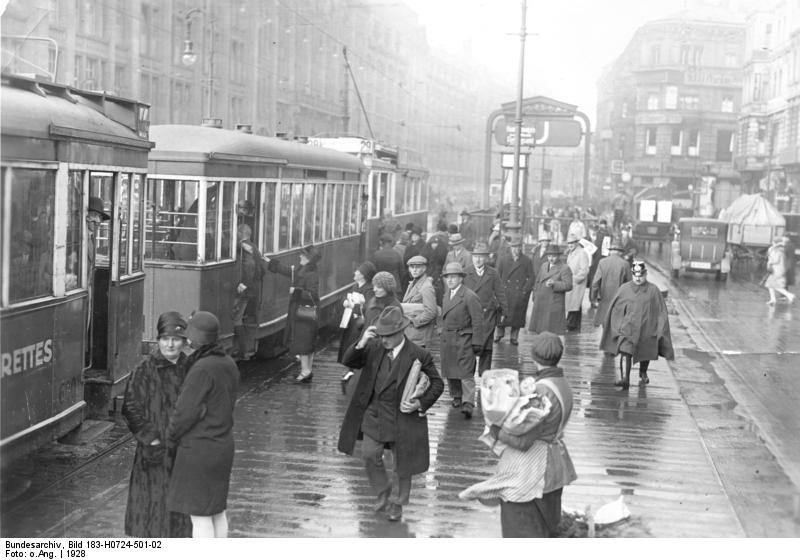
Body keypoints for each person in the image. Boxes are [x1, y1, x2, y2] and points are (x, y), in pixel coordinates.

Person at [337, 307, 444, 523]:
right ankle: (382, 490)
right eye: (381, 335)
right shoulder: (374, 348)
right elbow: (348, 360)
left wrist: (420, 405)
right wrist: (361, 342)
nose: (383, 340)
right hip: (374, 413)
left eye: (388, 336)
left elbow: (437, 384)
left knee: (402, 465)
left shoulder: (418, 354)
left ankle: (397, 503)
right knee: (369, 454)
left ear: (400, 333)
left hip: (402, 418)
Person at [467, 333, 577, 537]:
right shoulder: (563, 384)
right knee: (547, 525)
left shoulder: (541, 392)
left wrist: (496, 430)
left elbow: (524, 441)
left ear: (534, 356)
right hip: (556, 464)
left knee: (521, 527)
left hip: (532, 470)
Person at [166, 311, 239, 538]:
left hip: (200, 450)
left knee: (199, 517)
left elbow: (185, 412)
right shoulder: (227, 363)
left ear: (196, 340)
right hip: (222, 445)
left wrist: (170, 436)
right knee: (217, 512)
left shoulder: (201, 369)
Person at [122, 311, 192, 538]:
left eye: (175, 339)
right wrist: (151, 438)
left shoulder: (191, 369)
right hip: (152, 454)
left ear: (183, 341)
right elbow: (130, 407)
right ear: (158, 340)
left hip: (183, 455)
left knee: (179, 519)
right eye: (165, 339)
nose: (170, 344)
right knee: (150, 516)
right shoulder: (145, 369)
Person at [600, 262, 675, 389]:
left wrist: (660, 329)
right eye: (635, 275)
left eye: (641, 275)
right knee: (625, 352)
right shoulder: (624, 289)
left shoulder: (653, 290)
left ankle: (643, 372)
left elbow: (661, 311)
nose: (638, 278)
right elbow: (616, 308)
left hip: (647, 329)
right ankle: (625, 379)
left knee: (645, 352)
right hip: (628, 329)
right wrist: (617, 326)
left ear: (645, 274)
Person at [265, 245, 321, 382]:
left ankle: (305, 371)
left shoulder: (311, 274)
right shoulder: (304, 270)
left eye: (303, 255)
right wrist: (272, 264)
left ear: (309, 259)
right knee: (306, 341)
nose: (300, 257)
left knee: (303, 341)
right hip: (304, 309)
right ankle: (307, 370)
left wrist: (296, 291)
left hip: (305, 310)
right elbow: (289, 272)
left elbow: (313, 294)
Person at [440, 262, 485, 419]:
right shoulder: (447, 295)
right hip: (448, 338)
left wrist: (477, 342)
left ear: (461, 278)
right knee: (450, 369)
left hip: (464, 338)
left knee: (465, 371)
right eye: (447, 277)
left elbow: (478, 321)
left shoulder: (469, 296)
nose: (450, 280)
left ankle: (468, 403)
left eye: (453, 277)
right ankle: (456, 396)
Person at [464, 242, 507, 374]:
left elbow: (500, 292)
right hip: (469, 315)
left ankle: (484, 376)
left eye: (481, 256)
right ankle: (468, 375)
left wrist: (504, 311)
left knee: (486, 347)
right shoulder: (465, 273)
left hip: (487, 315)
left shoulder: (493, 273)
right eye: (475, 256)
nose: (478, 259)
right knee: (470, 344)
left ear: (486, 258)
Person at [338, 261, 377, 391]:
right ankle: (349, 369)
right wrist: (345, 301)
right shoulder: (356, 286)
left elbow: (368, 307)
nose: (355, 273)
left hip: (360, 323)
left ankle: (353, 370)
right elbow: (347, 297)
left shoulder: (369, 289)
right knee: (349, 344)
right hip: (352, 321)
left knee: (356, 344)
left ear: (364, 275)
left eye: (358, 272)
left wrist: (354, 305)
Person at [231, 223, 265, 361]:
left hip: (245, 291)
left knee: (236, 319)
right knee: (239, 318)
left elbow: (250, 266)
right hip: (252, 290)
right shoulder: (253, 246)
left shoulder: (247, 248)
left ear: (240, 234)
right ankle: (243, 350)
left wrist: (244, 284)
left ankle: (242, 352)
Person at [495, 235, 534, 345]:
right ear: (510, 248)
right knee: (501, 314)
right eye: (514, 247)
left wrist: (524, 291)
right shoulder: (503, 259)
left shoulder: (526, 261)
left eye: (518, 247)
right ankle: (499, 334)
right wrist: (498, 290)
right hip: (505, 292)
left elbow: (531, 277)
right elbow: (497, 275)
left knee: (517, 317)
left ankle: (514, 337)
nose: (516, 250)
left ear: (521, 248)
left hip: (518, 293)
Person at [528, 245, 572, 336]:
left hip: (554, 303)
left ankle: (552, 348)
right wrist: (535, 296)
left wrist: (555, 284)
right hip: (540, 301)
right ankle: (541, 347)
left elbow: (569, 285)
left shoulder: (564, 268)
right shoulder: (544, 265)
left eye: (554, 256)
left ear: (559, 256)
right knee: (539, 329)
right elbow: (537, 281)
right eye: (549, 256)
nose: (551, 259)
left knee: (552, 330)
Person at [590, 241, 632, 326]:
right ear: (620, 252)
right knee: (617, 327)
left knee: (605, 327)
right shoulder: (625, 264)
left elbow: (595, 283)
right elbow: (630, 285)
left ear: (611, 251)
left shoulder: (602, 262)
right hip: (620, 301)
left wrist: (593, 298)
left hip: (604, 299)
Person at [401, 255, 437, 347]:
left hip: (419, 335)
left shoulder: (426, 287)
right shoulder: (412, 284)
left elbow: (431, 312)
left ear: (424, 268)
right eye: (412, 267)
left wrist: (413, 321)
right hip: (411, 334)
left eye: (418, 267)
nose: (414, 270)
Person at [564, 233, 590, 332]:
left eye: (572, 243)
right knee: (574, 305)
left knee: (574, 304)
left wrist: (574, 279)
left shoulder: (582, 253)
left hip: (577, 283)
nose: (570, 245)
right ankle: (575, 326)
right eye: (568, 243)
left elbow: (584, 271)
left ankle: (571, 325)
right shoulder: (571, 252)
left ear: (576, 243)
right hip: (572, 283)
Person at [764, 236, 796, 305]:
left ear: (775, 242)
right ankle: (773, 299)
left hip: (777, 270)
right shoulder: (780, 249)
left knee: (774, 285)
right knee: (770, 285)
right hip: (778, 269)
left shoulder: (778, 250)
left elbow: (776, 260)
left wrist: (770, 262)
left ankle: (790, 295)